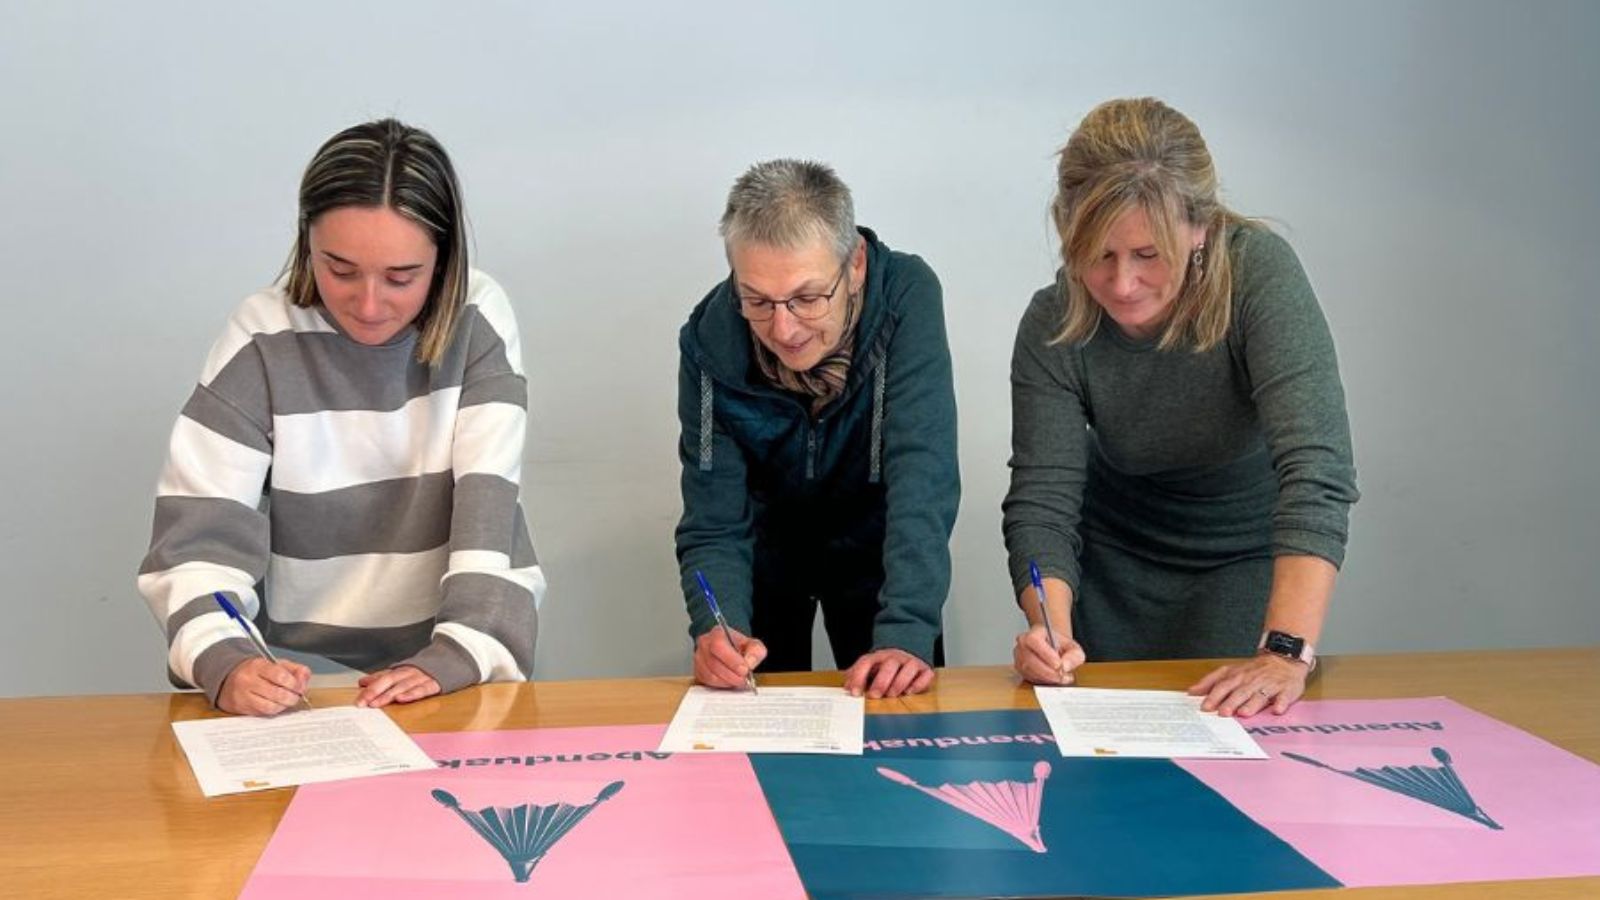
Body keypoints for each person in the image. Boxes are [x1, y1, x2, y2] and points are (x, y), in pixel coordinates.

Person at [137, 119, 543, 716]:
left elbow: (489, 512)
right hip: (297, 678)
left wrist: (459, 651)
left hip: (455, 658)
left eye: (401, 277)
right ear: (307, 244)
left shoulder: (477, 319)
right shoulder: (260, 335)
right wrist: (225, 658)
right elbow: (197, 541)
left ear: (444, 259)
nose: (369, 304)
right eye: (341, 270)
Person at [1003, 98, 1358, 716]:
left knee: (1239, 732)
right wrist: (1048, 629)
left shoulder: (1258, 274)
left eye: (1148, 254)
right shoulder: (1052, 320)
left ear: (1200, 228)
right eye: (1099, 254)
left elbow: (1318, 470)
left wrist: (1286, 650)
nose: (1122, 284)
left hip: (1245, 557)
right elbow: (1043, 500)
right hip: (1113, 565)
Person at [675, 159, 959, 699]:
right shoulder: (708, 341)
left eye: (807, 298)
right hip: (765, 562)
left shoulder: (907, 296)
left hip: (882, 552)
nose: (784, 329)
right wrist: (717, 626)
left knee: (899, 710)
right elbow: (713, 520)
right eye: (757, 301)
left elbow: (923, 475)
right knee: (754, 723)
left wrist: (907, 630)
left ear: (855, 265)